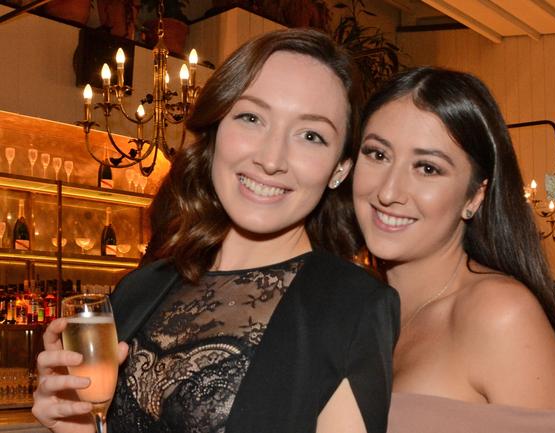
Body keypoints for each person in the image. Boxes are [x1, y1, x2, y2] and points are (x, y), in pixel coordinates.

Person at [31, 28, 400, 433]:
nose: (271, 159)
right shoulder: (137, 291)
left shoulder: (351, 308)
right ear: (216, 130)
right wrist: (78, 423)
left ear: (339, 170)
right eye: (251, 117)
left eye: (310, 135)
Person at [352, 67, 555, 432]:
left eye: (427, 168)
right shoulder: (357, 308)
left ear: (475, 195)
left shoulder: (499, 313)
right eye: (377, 154)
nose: (389, 191)